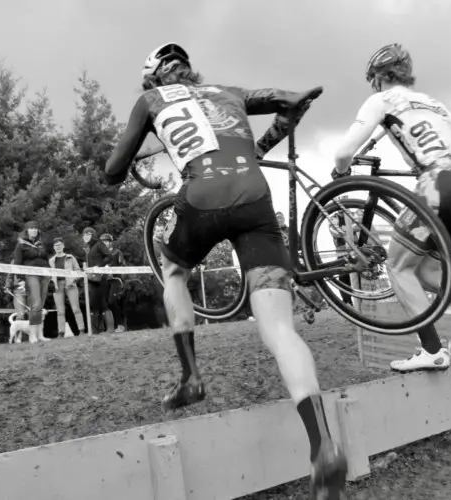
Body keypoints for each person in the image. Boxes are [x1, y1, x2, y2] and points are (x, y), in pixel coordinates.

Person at [103, 43, 347, 498]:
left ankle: (191, 377)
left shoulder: (151, 100)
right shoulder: (226, 92)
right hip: (254, 198)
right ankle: (323, 445)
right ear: (191, 73)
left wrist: (132, 151)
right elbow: (283, 107)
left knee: (174, 270)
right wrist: (288, 111)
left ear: (154, 79)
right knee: (279, 330)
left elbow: (113, 170)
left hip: (202, 197)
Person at [332, 43, 451, 371]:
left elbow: (344, 152)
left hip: (438, 187)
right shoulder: (431, 102)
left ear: (376, 77)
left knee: (397, 267)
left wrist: (342, 171)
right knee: (429, 272)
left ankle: (431, 350)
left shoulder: (380, 100)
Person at [12, 221, 51, 343]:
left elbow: (47, 260)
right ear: (26, 230)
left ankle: (40, 335)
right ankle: (32, 335)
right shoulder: (21, 245)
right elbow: (17, 264)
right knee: (35, 304)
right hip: (31, 275)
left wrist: (51, 275)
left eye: (36, 228)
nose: (34, 230)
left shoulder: (41, 245)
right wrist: (21, 280)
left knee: (41, 304)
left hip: (45, 275)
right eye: (32, 228)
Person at [49, 237, 87, 336]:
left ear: (63, 246)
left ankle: (81, 330)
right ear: (53, 247)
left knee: (76, 308)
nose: (58, 247)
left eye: (60, 245)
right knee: (60, 311)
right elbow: (49, 275)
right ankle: (61, 332)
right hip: (57, 286)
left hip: (70, 285)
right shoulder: (51, 261)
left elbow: (78, 271)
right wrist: (51, 283)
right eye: (56, 245)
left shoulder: (70, 257)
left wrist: (73, 279)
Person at [82, 227, 114, 333]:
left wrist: (98, 266)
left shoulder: (99, 244)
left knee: (103, 303)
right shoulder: (87, 248)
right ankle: (96, 330)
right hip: (91, 278)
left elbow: (109, 257)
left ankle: (110, 329)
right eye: (84, 234)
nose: (86, 236)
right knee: (93, 304)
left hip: (101, 277)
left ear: (93, 235)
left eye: (88, 234)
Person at [101, 233, 127, 333]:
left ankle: (120, 325)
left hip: (116, 280)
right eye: (103, 242)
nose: (105, 243)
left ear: (110, 242)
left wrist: (114, 272)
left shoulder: (117, 252)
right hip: (105, 281)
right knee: (107, 304)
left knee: (113, 301)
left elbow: (123, 267)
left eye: (106, 241)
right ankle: (113, 327)